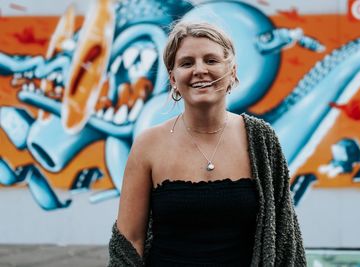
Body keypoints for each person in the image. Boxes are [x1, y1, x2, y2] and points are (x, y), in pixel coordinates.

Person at [108, 21, 306, 267]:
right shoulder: (148, 144)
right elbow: (129, 243)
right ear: (173, 78)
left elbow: (285, 239)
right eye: (187, 63)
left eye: (211, 60)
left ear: (232, 71)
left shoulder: (261, 140)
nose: (199, 70)